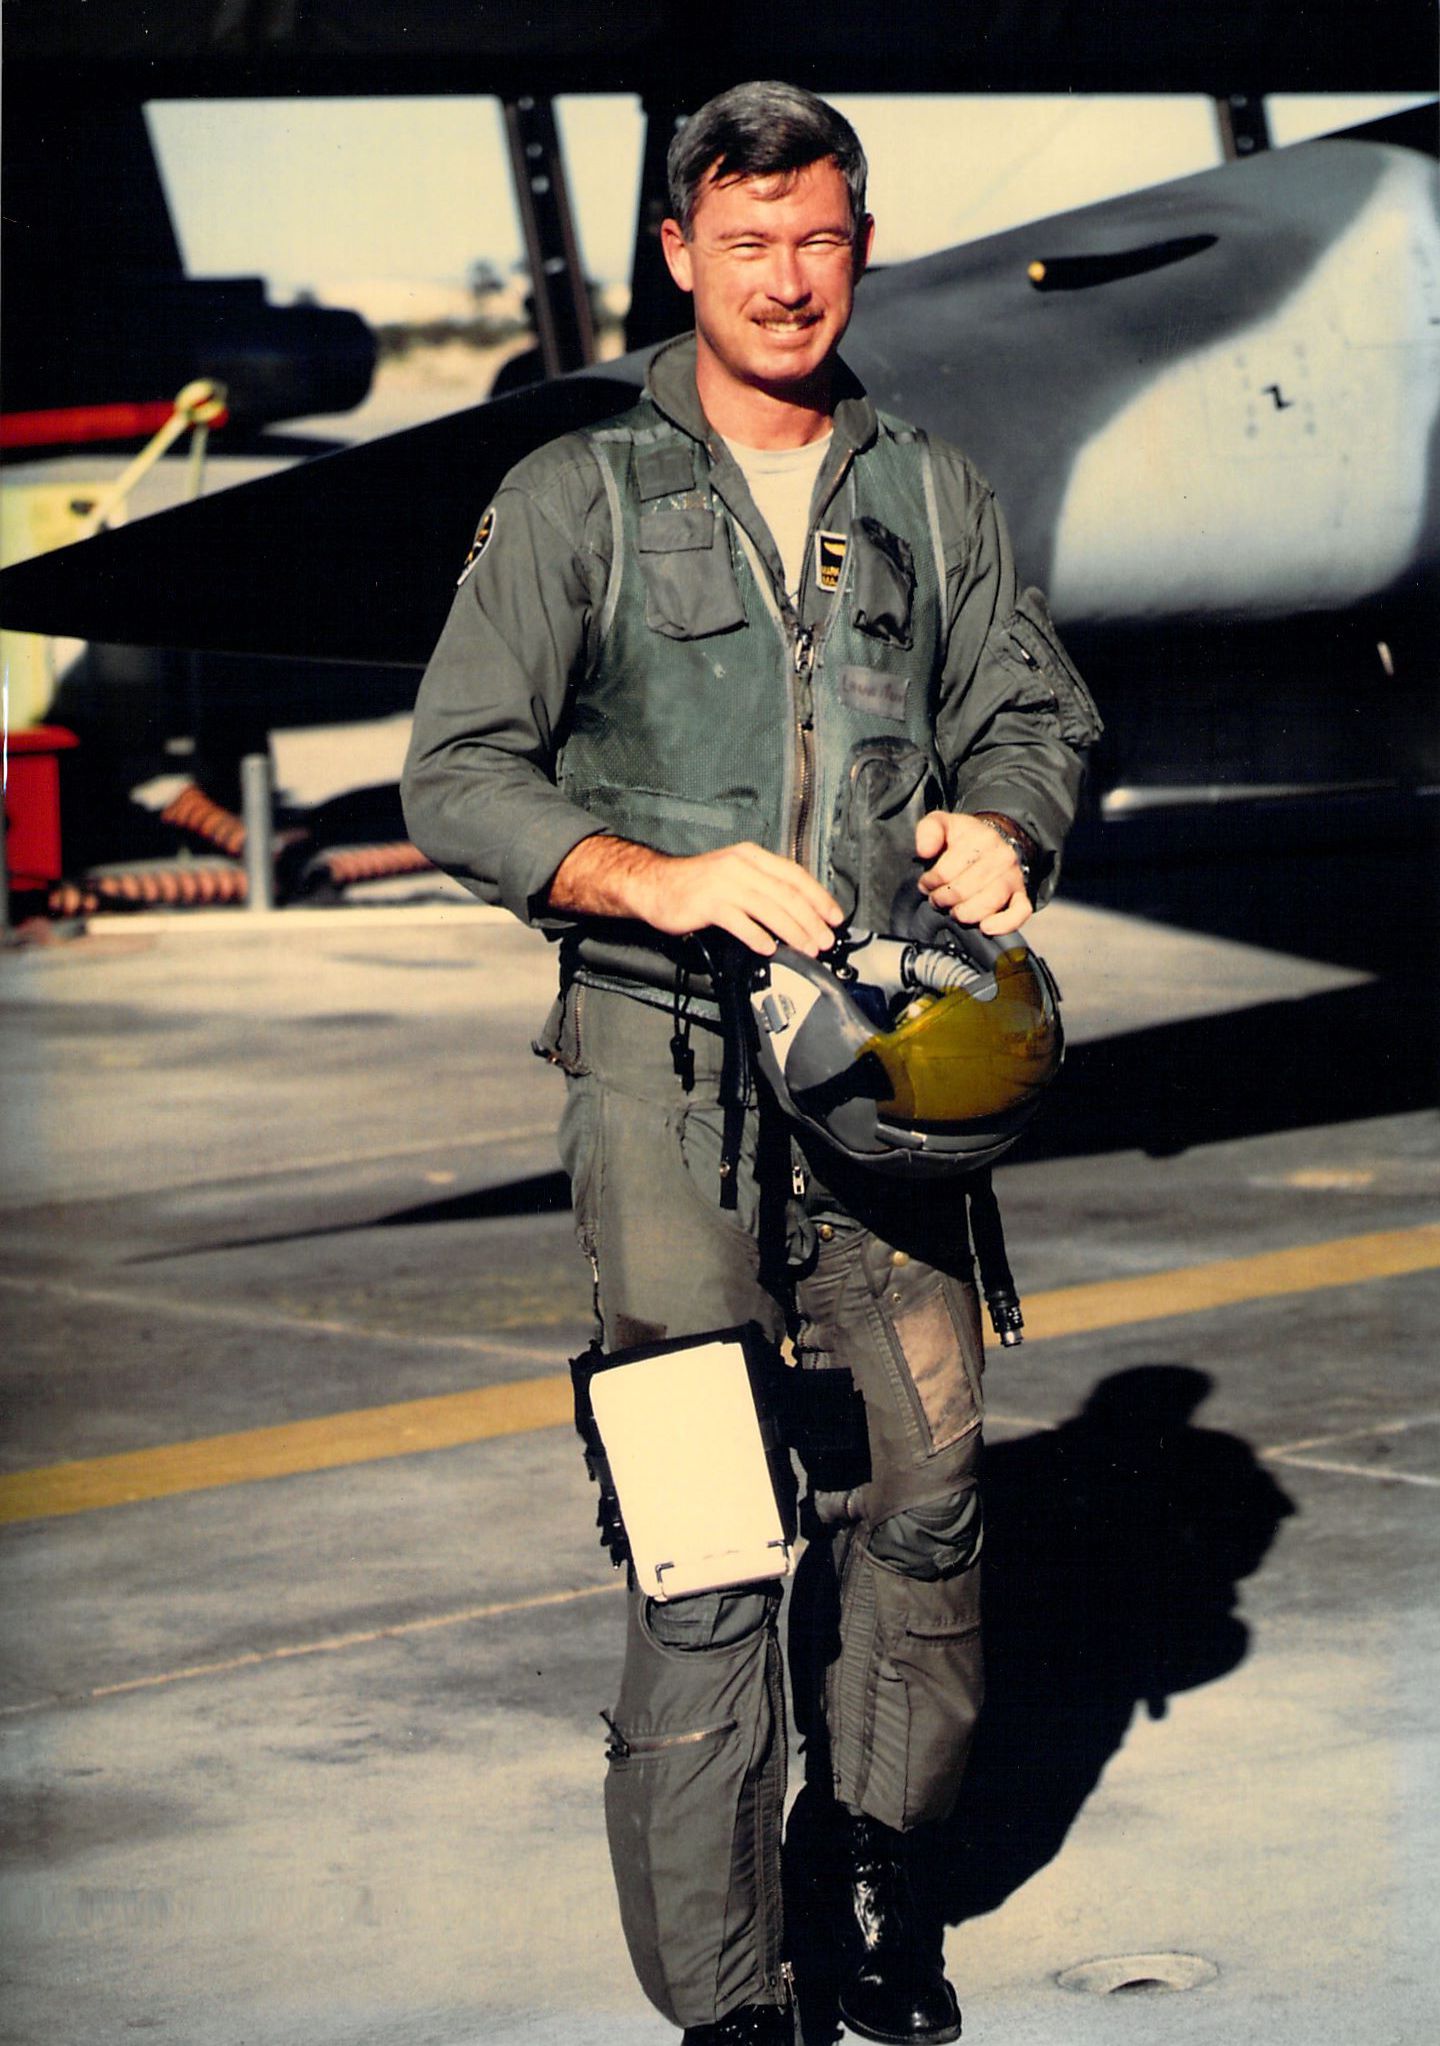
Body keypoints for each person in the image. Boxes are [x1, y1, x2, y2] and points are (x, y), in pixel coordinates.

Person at [402, 81, 1101, 2046]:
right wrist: (657, 876)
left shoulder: (931, 493)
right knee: (709, 1544)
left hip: (889, 1081)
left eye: (820, 241)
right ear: (678, 253)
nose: (787, 280)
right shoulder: (576, 500)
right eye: (747, 241)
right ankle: (727, 1995)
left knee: (930, 1498)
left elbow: (1033, 704)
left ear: (858, 248)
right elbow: (460, 776)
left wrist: (1009, 824)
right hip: (665, 1086)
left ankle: (876, 1878)